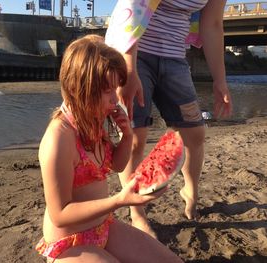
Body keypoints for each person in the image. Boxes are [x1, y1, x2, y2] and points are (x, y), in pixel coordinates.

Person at [35, 35, 183, 262]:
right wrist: (119, 201)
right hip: (68, 243)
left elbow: (117, 165)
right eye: (107, 91)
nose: (116, 99)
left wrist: (127, 136)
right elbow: (60, 214)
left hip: (103, 227)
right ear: (80, 88)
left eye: (116, 88)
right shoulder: (58, 139)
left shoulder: (92, 119)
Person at [107, 0, 233, 237]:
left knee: (195, 132)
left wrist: (220, 80)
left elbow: (213, 24)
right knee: (134, 136)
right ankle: (138, 213)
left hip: (175, 59)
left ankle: (190, 190)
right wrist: (129, 70)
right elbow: (135, 7)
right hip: (133, 52)